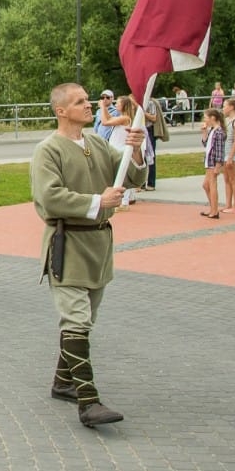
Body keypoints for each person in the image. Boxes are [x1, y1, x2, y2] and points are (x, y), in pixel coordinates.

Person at [30, 83, 145, 428]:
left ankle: (63, 382)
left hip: (98, 246)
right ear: (61, 110)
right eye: (79, 101)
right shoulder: (47, 151)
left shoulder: (96, 142)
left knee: (84, 320)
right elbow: (49, 198)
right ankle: (88, 401)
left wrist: (134, 152)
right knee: (76, 320)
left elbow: (134, 177)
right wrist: (98, 202)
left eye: (86, 99)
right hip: (67, 245)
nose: (88, 104)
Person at [200, 108, 226, 219]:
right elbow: (206, 144)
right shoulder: (212, 130)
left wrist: (218, 165)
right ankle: (213, 207)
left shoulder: (219, 132)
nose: (205, 120)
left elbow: (220, 150)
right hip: (208, 161)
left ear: (213, 118)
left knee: (212, 185)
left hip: (213, 162)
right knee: (206, 185)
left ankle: (214, 211)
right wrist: (204, 132)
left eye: (206, 117)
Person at [221, 98, 235, 213]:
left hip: (232, 154)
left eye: (225, 106)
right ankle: (228, 204)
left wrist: (231, 156)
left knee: (233, 179)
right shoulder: (225, 120)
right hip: (224, 152)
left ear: (231, 107)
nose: (223, 108)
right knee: (226, 179)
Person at [141, 94, 165, 190]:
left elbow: (153, 118)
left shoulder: (150, 103)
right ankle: (141, 183)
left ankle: (151, 183)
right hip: (141, 129)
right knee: (141, 157)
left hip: (148, 130)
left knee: (150, 156)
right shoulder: (139, 102)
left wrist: (142, 112)